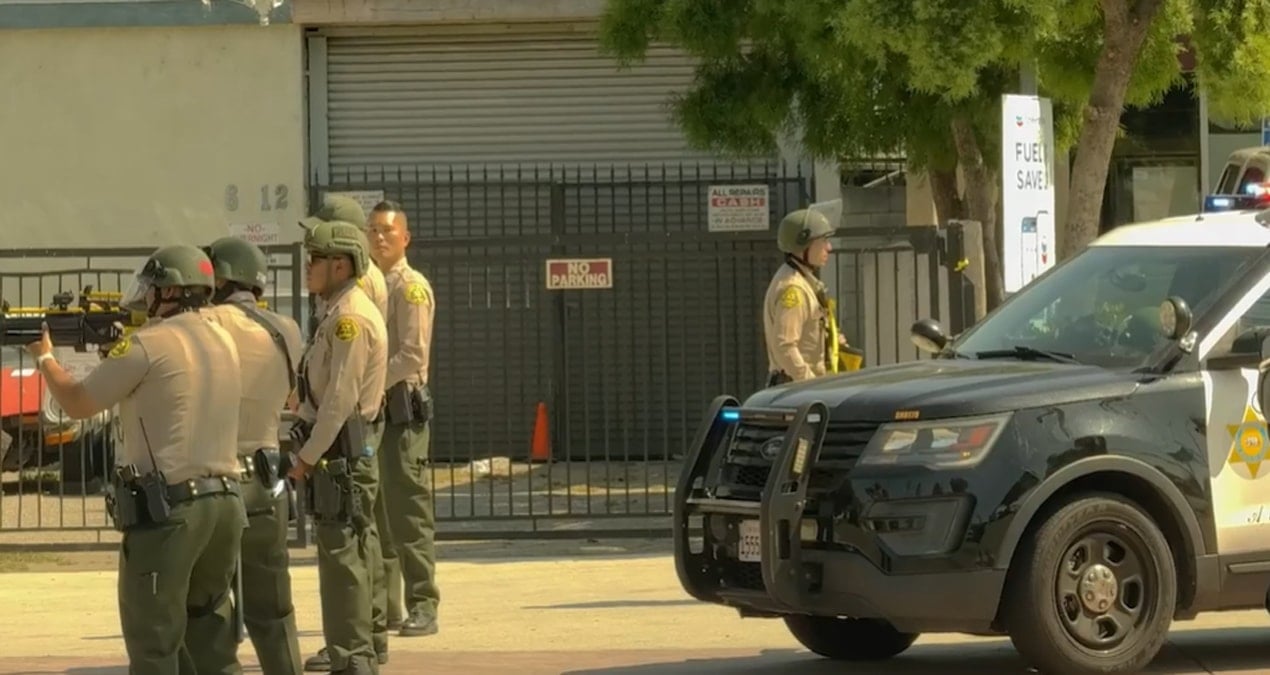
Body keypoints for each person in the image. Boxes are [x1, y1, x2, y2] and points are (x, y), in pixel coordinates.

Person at [27, 245, 247, 674]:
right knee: (211, 643)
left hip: (172, 512)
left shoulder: (146, 343)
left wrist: (45, 358)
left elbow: (78, 403)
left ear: (170, 291)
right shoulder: (223, 339)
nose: (145, 296)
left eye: (152, 288)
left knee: (154, 644)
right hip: (224, 504)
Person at [287, 218, 388, 675]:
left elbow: (339, 402)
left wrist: (306, 459)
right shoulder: (336, 311)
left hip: (341, 455)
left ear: (341, 265)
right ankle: (361, 649)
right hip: (341, 451)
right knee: (353, 551)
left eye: (316, 259)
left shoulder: (350, 320)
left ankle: (352, 657)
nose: (308, 267)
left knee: (343, 557)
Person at [203, 236, 306, 675]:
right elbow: (293, 395)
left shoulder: (203, 324)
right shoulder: (287, 330)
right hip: (267, 477)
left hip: (216, 480)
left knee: (208, 604)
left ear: (219, 279)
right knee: (273, 607)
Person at [365, 200, 441, 638]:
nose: (379, 237)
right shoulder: (370, 285)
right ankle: (388, 607)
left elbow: (412, 353)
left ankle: (423, 603)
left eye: (387, 231)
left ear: (405, 238)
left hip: (401, 410)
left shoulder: (410, 288)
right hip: (376, 411)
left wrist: (369, 380)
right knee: (378, 514)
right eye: (373, 230)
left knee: (408, 513)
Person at [764, 208, 842, 386]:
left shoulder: (804, 281)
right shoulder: (793, 289)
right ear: (804, 245)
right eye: (823, 240)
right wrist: (809, 384)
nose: (828, 247)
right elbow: (785, 346)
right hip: (798, 391)